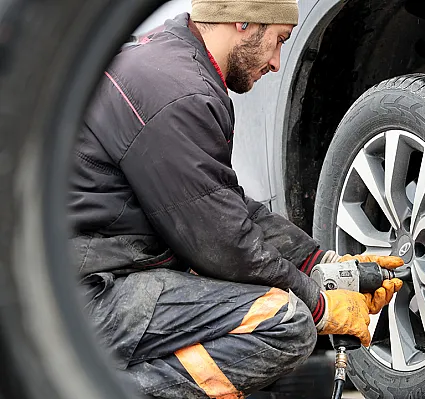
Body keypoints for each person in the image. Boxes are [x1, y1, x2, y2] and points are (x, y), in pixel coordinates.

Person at [69, 0, 403, 397]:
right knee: (286, 322)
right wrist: (320, 307)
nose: (278, 62)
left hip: (95, 282)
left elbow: (221, 203)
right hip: (90, 300)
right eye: (279, 40)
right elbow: (222, 245)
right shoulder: (181, 94)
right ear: (243, 21)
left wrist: (319, 262)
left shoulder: (167, 64)